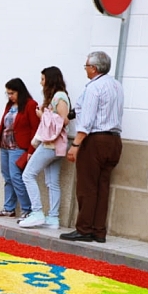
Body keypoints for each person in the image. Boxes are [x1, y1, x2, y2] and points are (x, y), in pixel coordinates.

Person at [62, 51, 124, 243]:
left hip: (96, 140)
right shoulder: (116, 85)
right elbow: (82, 109)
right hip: (114, 140)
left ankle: (84, 228)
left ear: (94, 68)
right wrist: (71, 114)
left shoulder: (94, 87)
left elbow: (87, 120)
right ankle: (99, 230)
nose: (85, 69)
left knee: (87, 186)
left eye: (86, 66)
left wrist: (75, 145)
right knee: (102, 186)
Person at [19, 67, 71, 229]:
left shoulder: (59, 97)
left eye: (43, 79)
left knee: (28, 174)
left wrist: (43, 116)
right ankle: (53, 218)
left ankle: (37, 213)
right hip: (55, 145)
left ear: (50, 80)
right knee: (52, 181)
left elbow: (64, 121)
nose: (41, 83)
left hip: (51, 144)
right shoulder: (57, 97)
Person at [0, 78, 38, 219]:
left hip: (19, 147)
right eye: (7, 93)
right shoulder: (9, 105)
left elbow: (35, 129)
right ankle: (9, 208)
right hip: (5, 146)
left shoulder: (31, 105)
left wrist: (31, 150)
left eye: (12, 93)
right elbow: (5, 127)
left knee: (16, 177)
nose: (10, 96)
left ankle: (28, 209)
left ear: (20, 91)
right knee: (7, 177)